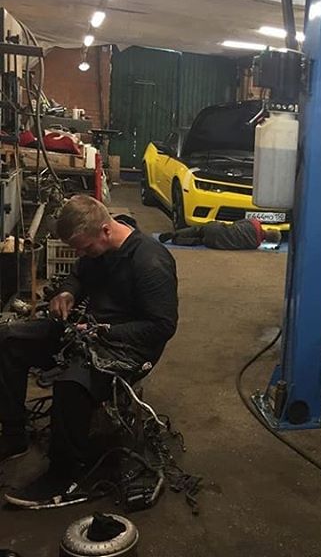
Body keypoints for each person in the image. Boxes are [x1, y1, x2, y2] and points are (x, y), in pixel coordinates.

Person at [0, 195, 178, 509]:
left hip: (130, 346)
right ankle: (14, 435)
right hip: (86, 331)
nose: (82, 254)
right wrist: (68, 292)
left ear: (106, 230)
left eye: (84, 248)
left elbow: (162, 326)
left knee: (72, 383)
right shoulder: (97, 248)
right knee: (10, 339)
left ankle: (64, 474)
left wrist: (105, 331)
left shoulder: (150, 262)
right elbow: (79, 274)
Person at [159, 218, 281, 250]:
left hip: (216, 228)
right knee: (199, 241)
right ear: (268, 241)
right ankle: (178, 241)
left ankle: (174, 234)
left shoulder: (254, 223)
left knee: (197, 230)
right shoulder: (254, 244)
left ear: (270, 229)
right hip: (216, 243)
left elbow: (236, 223)